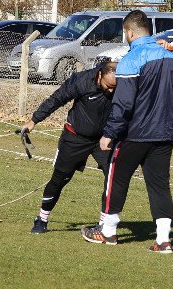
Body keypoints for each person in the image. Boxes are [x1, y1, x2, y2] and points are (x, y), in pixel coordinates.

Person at [80, 10, 173, 253]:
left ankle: (107, 232)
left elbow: (123, 104)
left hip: (134, 134)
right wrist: (166, 117)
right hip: (165, 133)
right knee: (160, 185)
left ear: (129, 32)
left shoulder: (130, 60)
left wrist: (109, 132)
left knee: (116, 179)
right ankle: (163, 241)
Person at [23, 61, 118, 234]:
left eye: (114, 87)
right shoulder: (81, 81)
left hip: (104, 140)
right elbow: (56, 99)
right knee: (60, 179)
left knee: (113, 178)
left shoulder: (122, 84)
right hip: (75, 138)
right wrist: (34, 120)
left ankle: (104, 225)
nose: (111, 91)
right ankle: (42, 219)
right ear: (99, 75)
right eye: (108, 86)